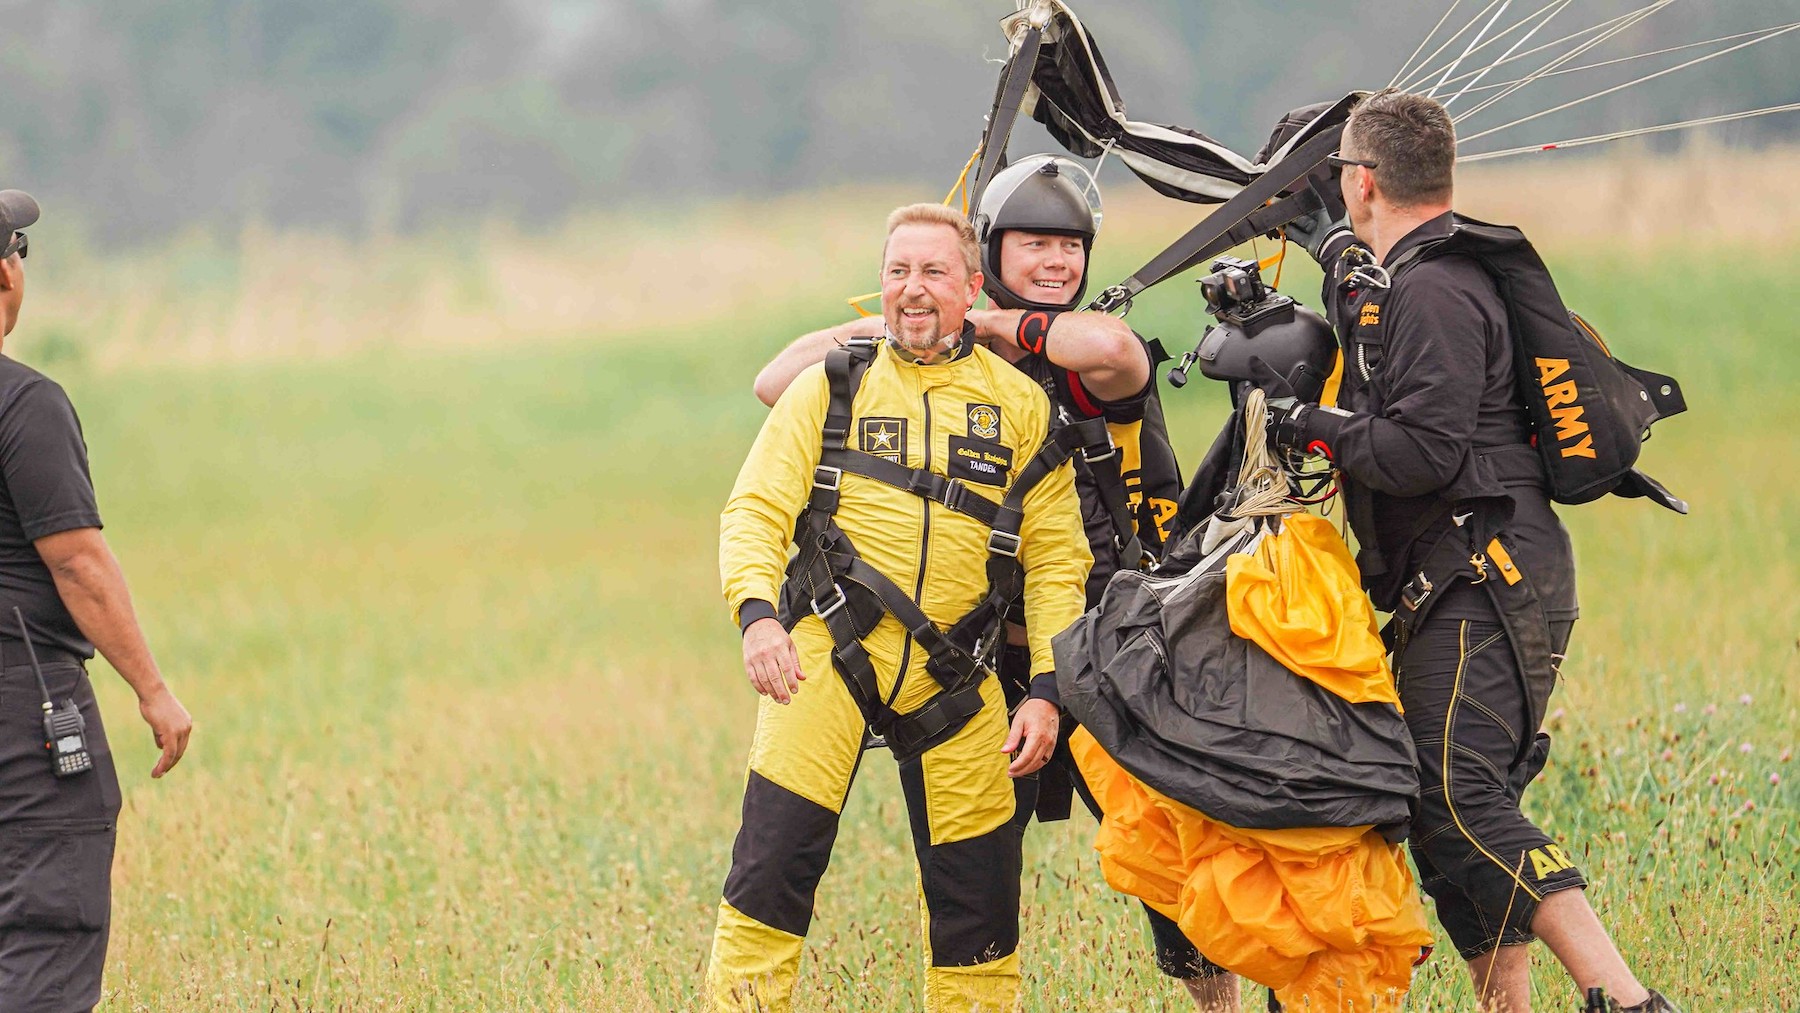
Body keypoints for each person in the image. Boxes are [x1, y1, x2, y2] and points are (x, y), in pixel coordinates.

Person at [754, 159, 1241, 1011]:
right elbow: (775, 377)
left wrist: (983, 321)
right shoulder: (933, 352)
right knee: (970, 869)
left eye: (1068, 248)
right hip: (982, 662)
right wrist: (915, 311)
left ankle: (1219, 1001)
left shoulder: (1079, 349)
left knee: (1160, 847)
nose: (1055, 263)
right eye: (1034, 246)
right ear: (994, 253)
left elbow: (1115, 349)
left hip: (1101, 654)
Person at [1273, 90, 1679, 1013]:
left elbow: (1424, 451)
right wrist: (1328, 246)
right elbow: (1375, 332)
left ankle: (1624, 998)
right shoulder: (1418, 270)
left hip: (1487, 578)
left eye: (1343, 175)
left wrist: (1311, 423)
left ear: (1365, 180)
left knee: (1454, 797)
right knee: (1438, 805)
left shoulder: (1436, 288)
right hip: (1465, 577)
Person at [708, 202, 1091, 1012]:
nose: (913, 290)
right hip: (825, 657)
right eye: (897, 272)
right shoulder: (832, 384)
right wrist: (758, 616)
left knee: (980, 919)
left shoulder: (1018, 407)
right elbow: (755, 509)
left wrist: (1051, 690)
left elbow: (1059, 561)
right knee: (771, 873)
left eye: (933, 273)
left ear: (971, 290)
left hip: (958, 682)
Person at [0, 190, 193, 1011]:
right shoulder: (23, 404)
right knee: (43, 933)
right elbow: (77, 560)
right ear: (4, 275)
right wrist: (152, 686)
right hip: (19, 710)